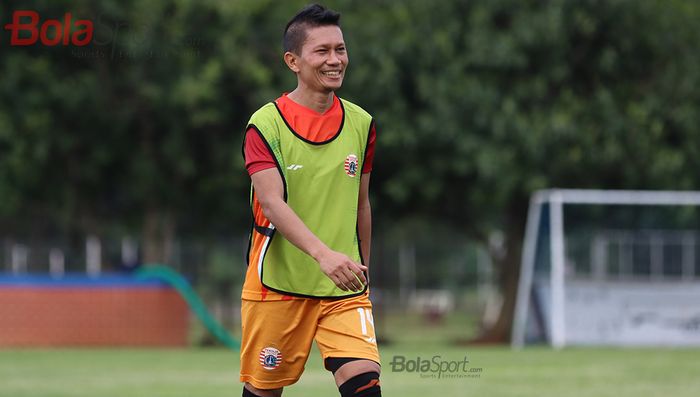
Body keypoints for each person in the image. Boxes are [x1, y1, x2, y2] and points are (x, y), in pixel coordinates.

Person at [239, 4, 381, 397]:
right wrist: (323, 255)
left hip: (343, 290)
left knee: (366, 386)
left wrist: (361, 271)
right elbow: (271, 203)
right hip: (277, 288)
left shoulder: (362, 123)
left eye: (341, 49)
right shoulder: (265, 124)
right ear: (293, 61)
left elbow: (361, 205)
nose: (335, 60)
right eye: (322, 51)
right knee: (263, 393)